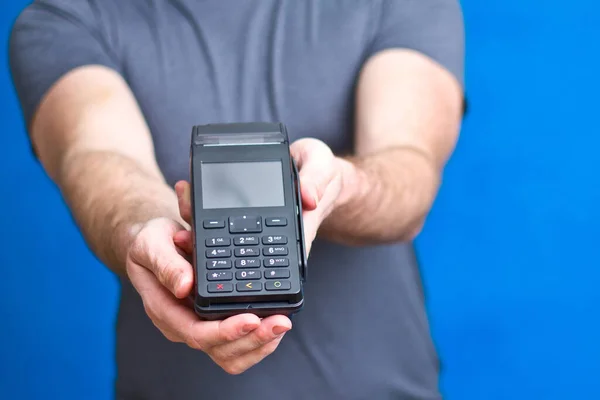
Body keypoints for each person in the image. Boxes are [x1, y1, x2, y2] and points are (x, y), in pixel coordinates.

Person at [9, 0, 465, 398]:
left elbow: (408, 165)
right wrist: (146, 233)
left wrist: (336, 187)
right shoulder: (65, 16)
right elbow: (97, 154)